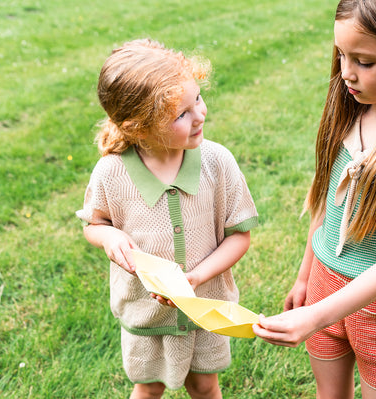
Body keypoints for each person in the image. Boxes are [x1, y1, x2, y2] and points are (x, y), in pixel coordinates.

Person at [253, 0, 376, 397]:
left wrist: (316, 315)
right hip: (322, 285)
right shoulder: (350, 110)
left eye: (364, 61)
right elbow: (326, 207)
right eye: (341, 54)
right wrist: (304, 279)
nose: (346, 72)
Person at [76, 39, 258, 399]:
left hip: (206, 311)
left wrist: (197, 277)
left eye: (198, 99)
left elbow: (239, 236)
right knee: (149, 388)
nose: (200, 115)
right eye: (182, 114)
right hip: (147, 315)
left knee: (205, 385)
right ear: (139, 128)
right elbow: (95, 225)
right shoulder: (111, 173)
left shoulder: (217, 162)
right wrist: (109, 238)